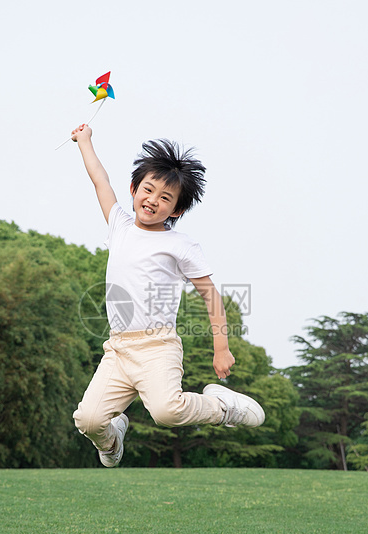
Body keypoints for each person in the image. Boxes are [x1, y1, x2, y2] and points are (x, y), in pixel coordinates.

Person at [71, 124, 265, 467]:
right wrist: (85, 141)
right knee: (88, 420)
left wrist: (222, 348)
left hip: (157, 346)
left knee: (166, 411)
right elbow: (100, 180)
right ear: (134, 189)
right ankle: (113, 437)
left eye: (165, 198)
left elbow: (211, 296)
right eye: (148, 190)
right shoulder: (119, 225)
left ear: (175, 211)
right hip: (118, 348)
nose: (153, 200)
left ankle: (222, 407)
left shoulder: (180, 245)